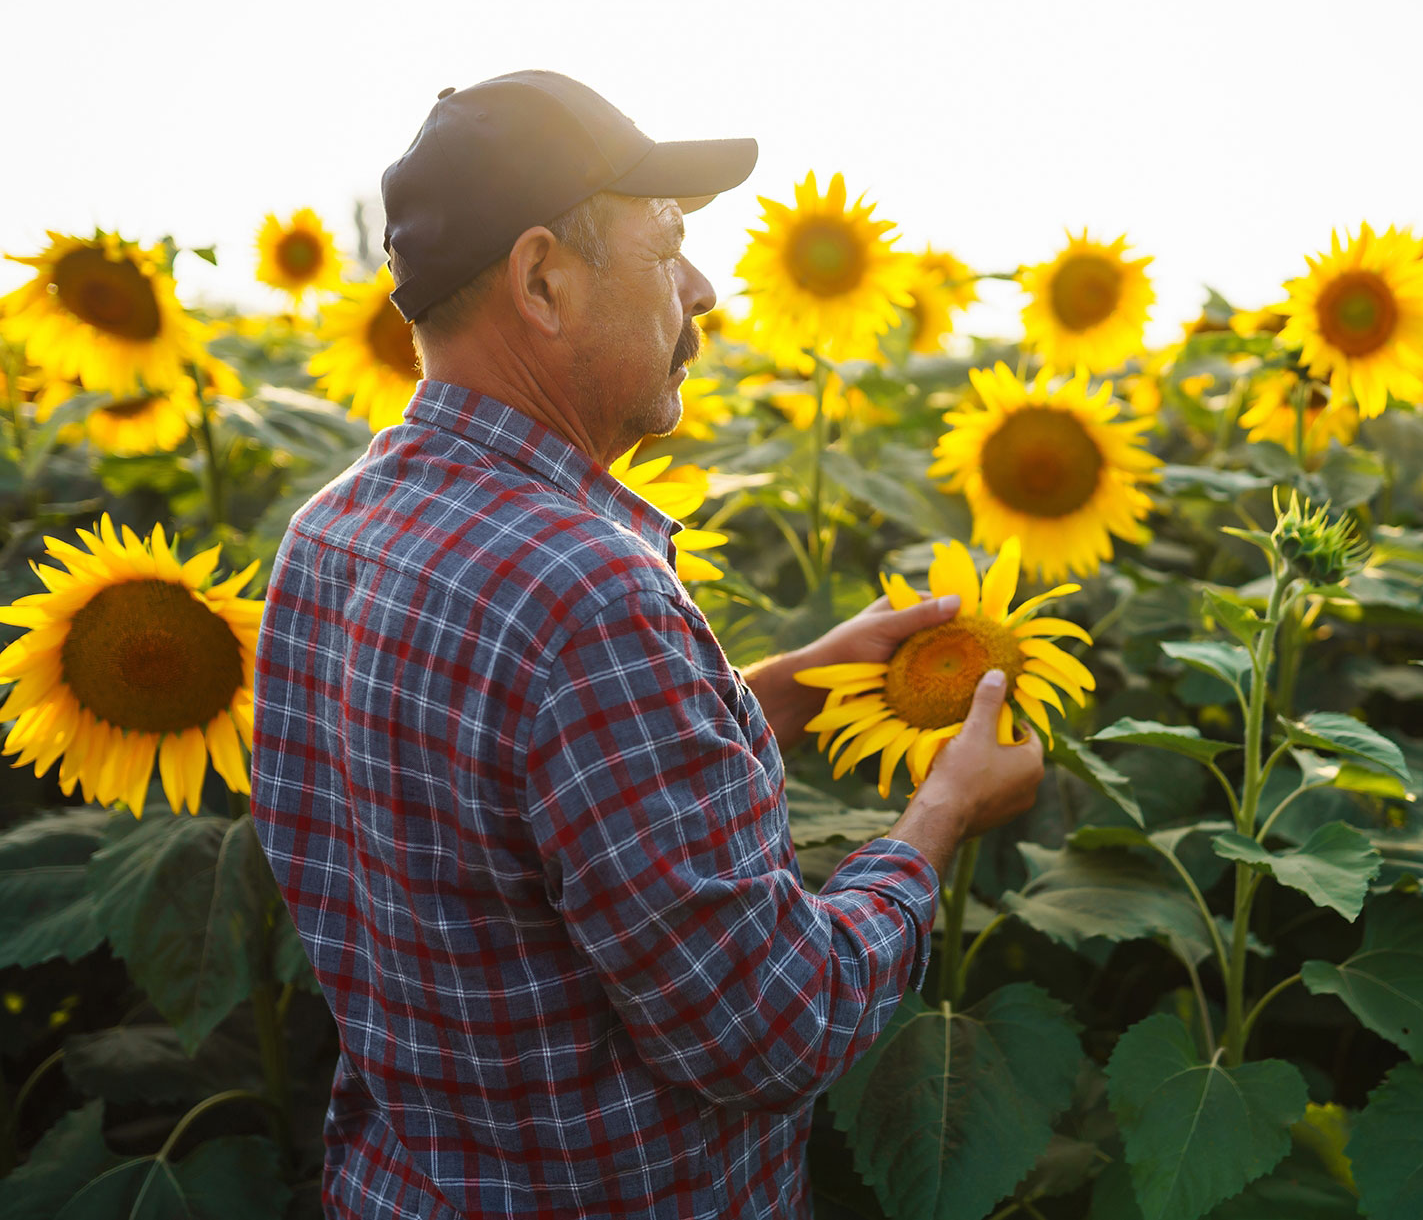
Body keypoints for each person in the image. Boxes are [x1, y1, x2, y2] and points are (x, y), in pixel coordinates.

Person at [249, 69, 1044, 1220]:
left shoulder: (335, 532)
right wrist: (938, 820)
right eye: (667, 246)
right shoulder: (586, 595)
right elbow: (774, 1026)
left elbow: (517, 806)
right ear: (542, 280)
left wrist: (783, 687)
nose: (706, 288)